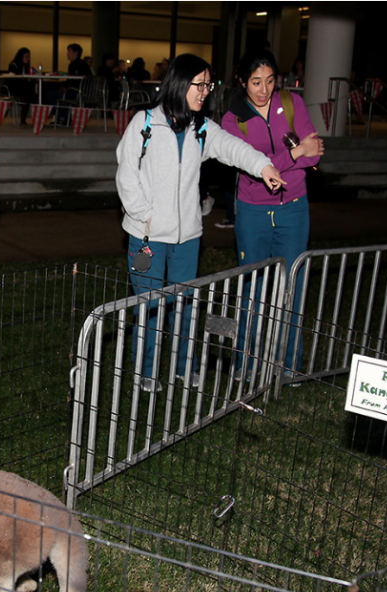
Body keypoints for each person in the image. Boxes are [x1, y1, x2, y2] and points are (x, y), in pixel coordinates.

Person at [115, 54, 285, 393]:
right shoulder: (144, 122)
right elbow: (126, 174)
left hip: (187, 237)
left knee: (184, 306)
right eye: (200, 84)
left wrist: (263, 166)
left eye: (209, 85)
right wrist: (143, 213)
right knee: (148, 308)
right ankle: (145, 372)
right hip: (147, 235)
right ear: (181, 83)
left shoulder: (202, 128)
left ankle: (184, 366)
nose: (205, 91)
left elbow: (233, 147)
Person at [221, 50, 323, 373]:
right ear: (242, 82)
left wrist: (290, 156)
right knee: (251, 288)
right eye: (255, 82)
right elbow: (251, 165)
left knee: (291, 285)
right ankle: (246, 365)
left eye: (269, 81)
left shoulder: (293, 104)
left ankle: (288, 365)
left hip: (294, 209)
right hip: (253, 211)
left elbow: (315, 155)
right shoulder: (232, 120)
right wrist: (294, 153)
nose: (264, 89)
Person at [7, 47, 35, 126]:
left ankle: (35, 118)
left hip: (24, 89)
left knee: (31, 95)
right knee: (28, 96)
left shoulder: (27, 67)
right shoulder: (14, 65)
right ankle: (23, 120)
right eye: (26, 56)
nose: (28, 59)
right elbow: (13, 79)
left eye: (29, 57)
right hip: (15, 88)